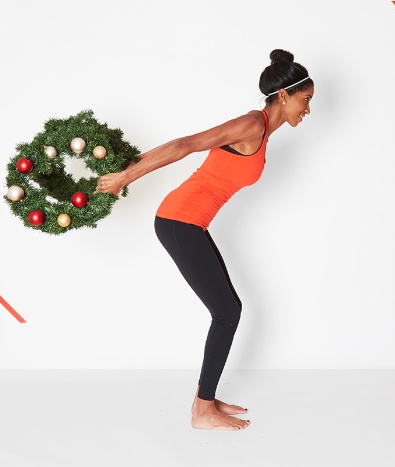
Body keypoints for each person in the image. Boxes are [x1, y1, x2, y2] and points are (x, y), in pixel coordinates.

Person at [96, 49, 313, 430]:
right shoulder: (252, 124)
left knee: (229, 308)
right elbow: (186, 144)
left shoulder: (261, 131)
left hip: (191, 223)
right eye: (305, 100)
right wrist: (124, 178)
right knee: (227, 312)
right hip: (179, 221)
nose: (307, 110)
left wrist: (128, 164)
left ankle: (205, 400)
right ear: (284, 96)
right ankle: (202, 410)